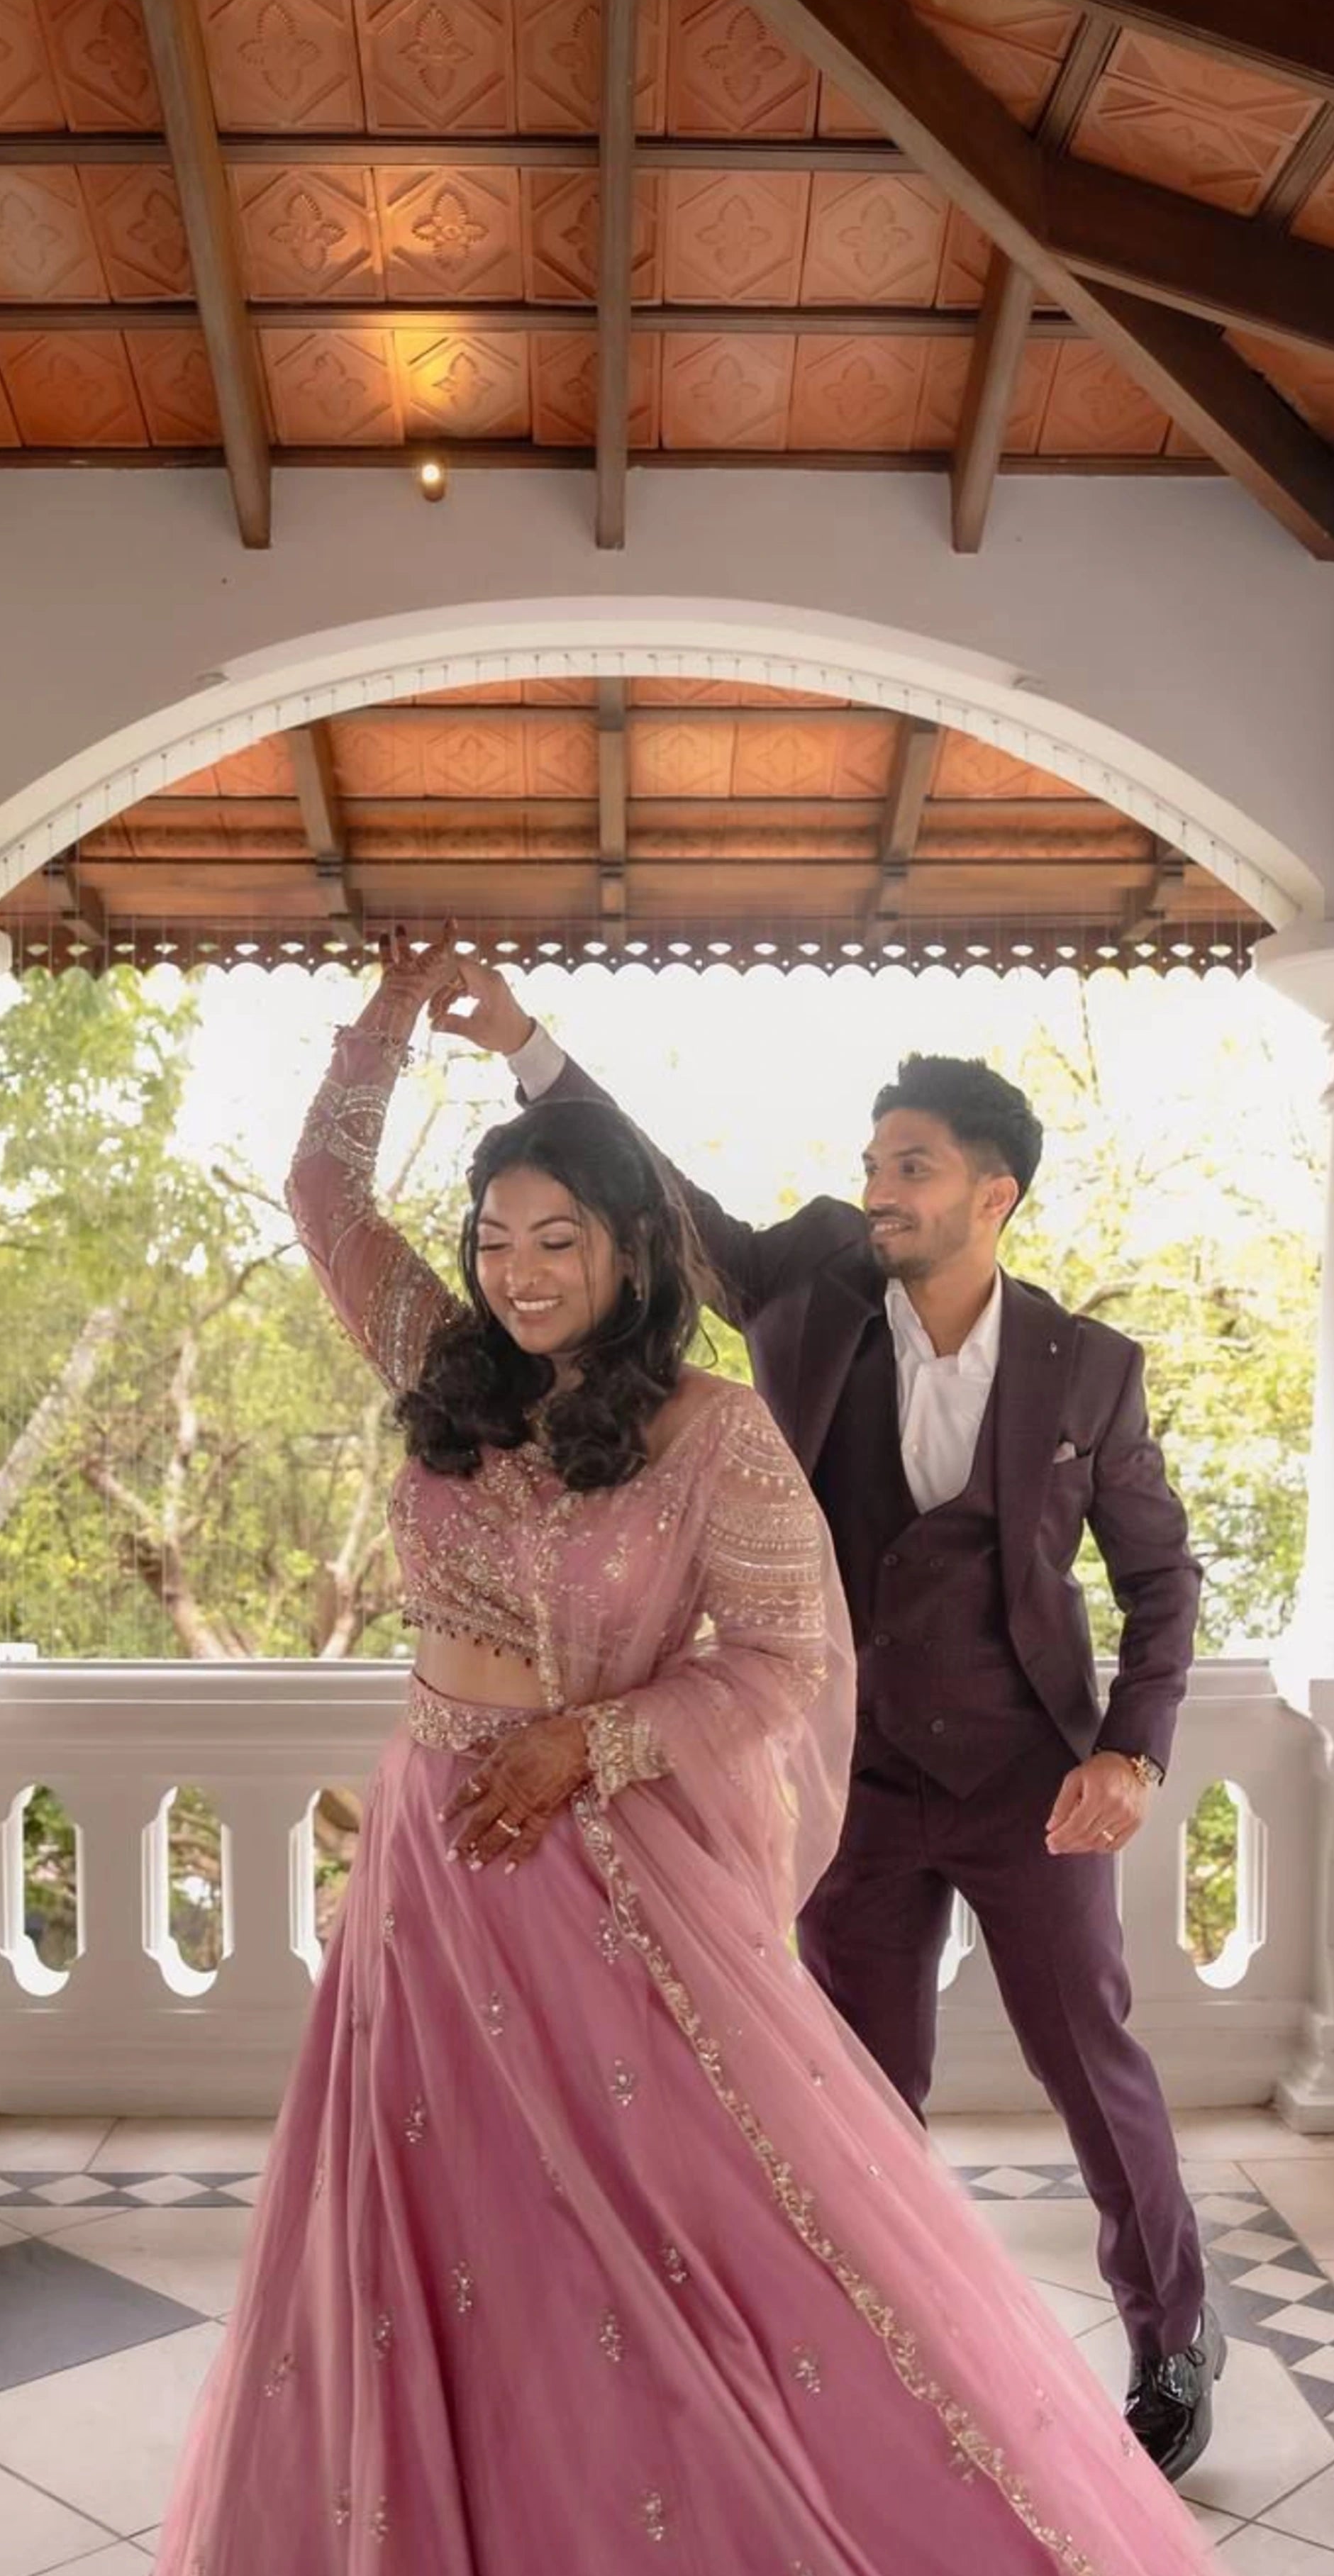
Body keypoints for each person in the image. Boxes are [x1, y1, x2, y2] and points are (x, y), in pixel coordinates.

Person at [90, 944, 1252, 2576]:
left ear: (630, 1252)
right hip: (431, 1882)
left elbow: (784, 1658)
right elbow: (317, 1196)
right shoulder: (426, 1363)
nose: (519, 1267)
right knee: (416, 2255)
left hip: (613, 1880)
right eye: (495, 1232)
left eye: (559, 1237)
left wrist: (594, 1744)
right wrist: (381, 1034)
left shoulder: (713, 1429)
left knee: (697, 2248)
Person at [434, 954, 1224, 2481]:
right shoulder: (805, 1283)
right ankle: (871, 2358)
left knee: (1089, 2059)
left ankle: (1173, 2334)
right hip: (838, 1774)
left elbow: (1159, 1578)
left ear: (992, 1192)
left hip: (1025, 1778)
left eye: (908, 1166)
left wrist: (1130, 1751)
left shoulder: (1089, 1369)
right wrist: (529, 1044)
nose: (877, 1189)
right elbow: (657, 1202)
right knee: (855, 2086)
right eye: (871, 1162)